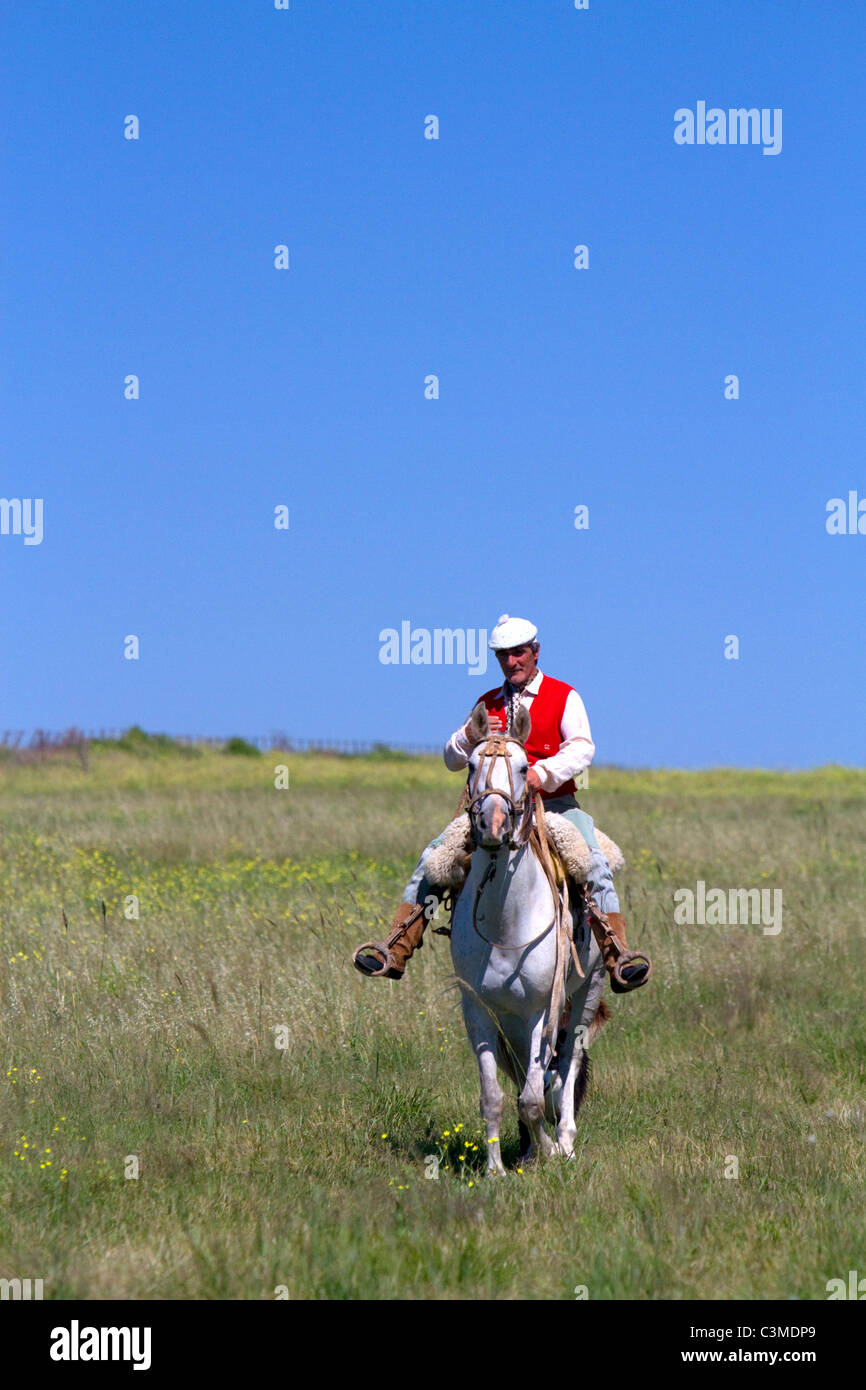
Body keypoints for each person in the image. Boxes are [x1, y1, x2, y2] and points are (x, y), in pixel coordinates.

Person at [353, 614, 651, 992]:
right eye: (503, 655)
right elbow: (451, 758)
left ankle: (617, 956)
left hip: (555, 807)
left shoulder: (564, 696)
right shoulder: (486, 704)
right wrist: (467, 734)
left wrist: (540, 774)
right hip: (491, 814)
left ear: (536, 652)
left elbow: (581, 748)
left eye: (519, 652)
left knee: (592, 862)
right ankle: (396, 948)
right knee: (433, 859)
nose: (512, 661)